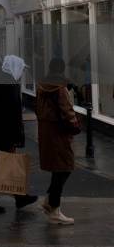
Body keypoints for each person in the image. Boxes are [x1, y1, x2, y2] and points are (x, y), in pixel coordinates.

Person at [0, 54, 37, 213]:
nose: (22, 72)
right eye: (21, 69)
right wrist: (16, 134)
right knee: (0, 164)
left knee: (7, 163)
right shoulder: (9, 84)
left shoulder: (0, 80)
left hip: (0, 131)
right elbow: (11, 111)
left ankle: (19, 197)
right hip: (5, 132)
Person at [36, 57, 80, 225]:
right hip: (59, 135)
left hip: (47, 134)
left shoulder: (41, 86)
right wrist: (75, 126)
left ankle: (49, 202)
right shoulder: (60, 88)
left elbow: (38, 109)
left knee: (58, 169)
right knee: (64, 168)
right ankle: (54, 208)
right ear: (61, 70)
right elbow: (67, 111)